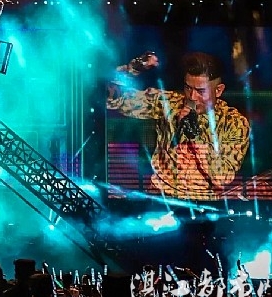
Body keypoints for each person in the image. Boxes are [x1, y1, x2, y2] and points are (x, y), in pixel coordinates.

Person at [107, 50, 250, 200]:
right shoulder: (170, 103)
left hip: (203, 200)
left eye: (201, 91)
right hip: (160, 194)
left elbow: (223, 177)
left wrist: (195, 137)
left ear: (218, 90)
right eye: (188, 88)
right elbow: (113, 101)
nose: (192, 97)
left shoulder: (234, 123)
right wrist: (132, 69)